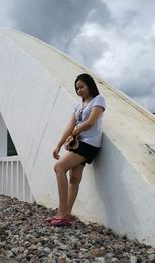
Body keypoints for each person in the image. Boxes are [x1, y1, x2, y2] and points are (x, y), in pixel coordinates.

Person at [47, 73, 106, 226]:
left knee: (59, 167)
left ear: (89, 85)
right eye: (77, 88)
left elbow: (91, 122)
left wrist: (73, 133)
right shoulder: (77, 105)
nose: (79, 90)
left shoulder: (98, 100)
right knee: (74, 177)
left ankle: (61, 211)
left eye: (82, 87)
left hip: (90, 144)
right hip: (79, 143)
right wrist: (58, 145)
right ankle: (67, 215)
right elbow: (70, 125)